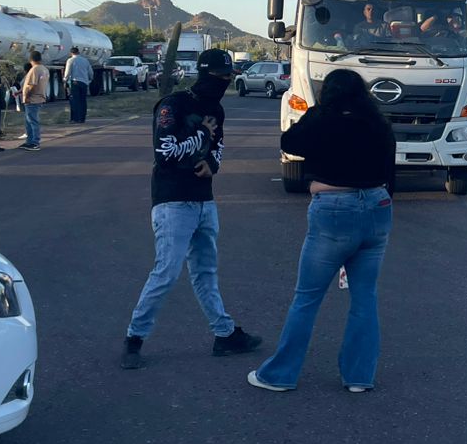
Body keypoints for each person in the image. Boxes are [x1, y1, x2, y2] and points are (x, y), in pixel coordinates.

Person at [248, 69, 397, 392]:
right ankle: (359, 376)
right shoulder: (378, 122)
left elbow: (289, 142)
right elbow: (389, 171)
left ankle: (280, 375)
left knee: (307, 298)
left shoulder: (321, 118)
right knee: (365, 298)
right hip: (377, 208)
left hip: (333, 210)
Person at [121, 49, 261, 369]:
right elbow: (164, 151)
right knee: (167, 271)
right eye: (220, 78)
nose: (225, 83)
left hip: (203, 200)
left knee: (205, 272)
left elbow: (218, 146)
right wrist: (201, 135)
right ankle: (134, 338)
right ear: (205, 75)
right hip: (172, 200)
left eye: (228, 77)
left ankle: (224, 334)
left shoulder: (216, 108)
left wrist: (213, 162)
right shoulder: (173, 105)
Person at [19, 50, 49, 151]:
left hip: (32, 99)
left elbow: (32, 85)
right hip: (40, 97)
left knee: (32, 121)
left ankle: (35, 142)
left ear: (31, 59)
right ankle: (29, 141)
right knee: (29, 121)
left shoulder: (34, 70)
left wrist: (26, 96)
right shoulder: (44, 69)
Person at [64, 47, 93, 123]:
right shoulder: (85, 60)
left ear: (71, 53)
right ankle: (82, 118)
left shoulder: (70, 60)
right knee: (83, 100)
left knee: (74, 101)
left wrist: (65, 80)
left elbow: (67, 72)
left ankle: (75, 118)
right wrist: (90, 79)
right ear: (78, 52)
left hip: (75, 82)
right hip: (84, 82)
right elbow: (90, 72)